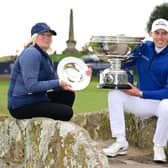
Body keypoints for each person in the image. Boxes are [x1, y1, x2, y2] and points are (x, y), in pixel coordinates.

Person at [103, 18, 168, 163]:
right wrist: (125, 79)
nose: (160, 37)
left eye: (164, 33)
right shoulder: (144, 48)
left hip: (159, 104)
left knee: (167, 105)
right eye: (157, 33)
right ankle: (120, 142)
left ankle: (159, 146)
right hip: (140, 102)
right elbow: (124, 63)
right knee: (114, 93)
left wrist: (139, 93)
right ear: (151, 34)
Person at [8, 22, 91, 121]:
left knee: (68, 95)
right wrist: (58, 82)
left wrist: (81, 74)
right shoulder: (31, 53)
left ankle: (52, 126)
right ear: (34, 38)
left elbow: (56, 86)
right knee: (66, 112)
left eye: (49, 35)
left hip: (37, 98)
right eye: (43, 35)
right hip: (20, 105)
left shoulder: (46, 57)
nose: (47, 38)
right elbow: (31, 86)